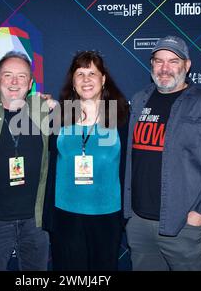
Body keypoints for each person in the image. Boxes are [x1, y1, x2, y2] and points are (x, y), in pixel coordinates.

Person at [124, 35, 201, 271]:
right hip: (139, 222)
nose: (165, 68)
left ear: (187, 65)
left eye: (173, 61)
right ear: (151, 64)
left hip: (183, 224)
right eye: (158, 61)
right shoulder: (139, 100)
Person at [44, 51, 129, 270]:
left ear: (103, 79)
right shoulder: (58, 116)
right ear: (72, 82)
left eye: (92, 73)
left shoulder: (122, 116)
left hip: (107, 217)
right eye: (80, 73)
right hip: (65, 216)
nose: (86, 79)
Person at [0, 51, 51, 271]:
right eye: (7, 75)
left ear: (31, 83)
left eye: (22, 76)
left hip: (35, 221)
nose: (14, 82)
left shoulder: (43, 110)